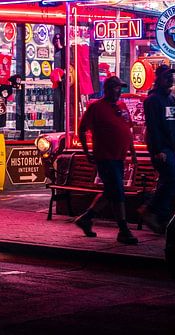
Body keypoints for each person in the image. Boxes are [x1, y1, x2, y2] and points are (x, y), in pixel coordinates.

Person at [73, 76, 139, 245]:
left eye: (120, 88)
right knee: (117, 191)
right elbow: (81, 130)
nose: (119, 91)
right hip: (105, 156)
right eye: (117, 88)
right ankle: (123, 230)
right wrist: (87, 152)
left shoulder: (122, 106)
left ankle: (86, 218)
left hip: (119, 157)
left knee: (111, 191)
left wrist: (132, 152)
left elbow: (127, 129)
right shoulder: (96, 107)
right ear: (108, 89)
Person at [139, 64, 175, 234]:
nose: (171, 79)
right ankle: (150, 211)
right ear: (158, 79)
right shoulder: (152, 100)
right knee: (172, 181)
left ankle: (160, 217)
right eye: (167, 76)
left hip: (171, 147)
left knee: (168, 182)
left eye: (171, 76)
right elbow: (153, 126)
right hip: (161, 148)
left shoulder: (171, 98)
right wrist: (158, 149)